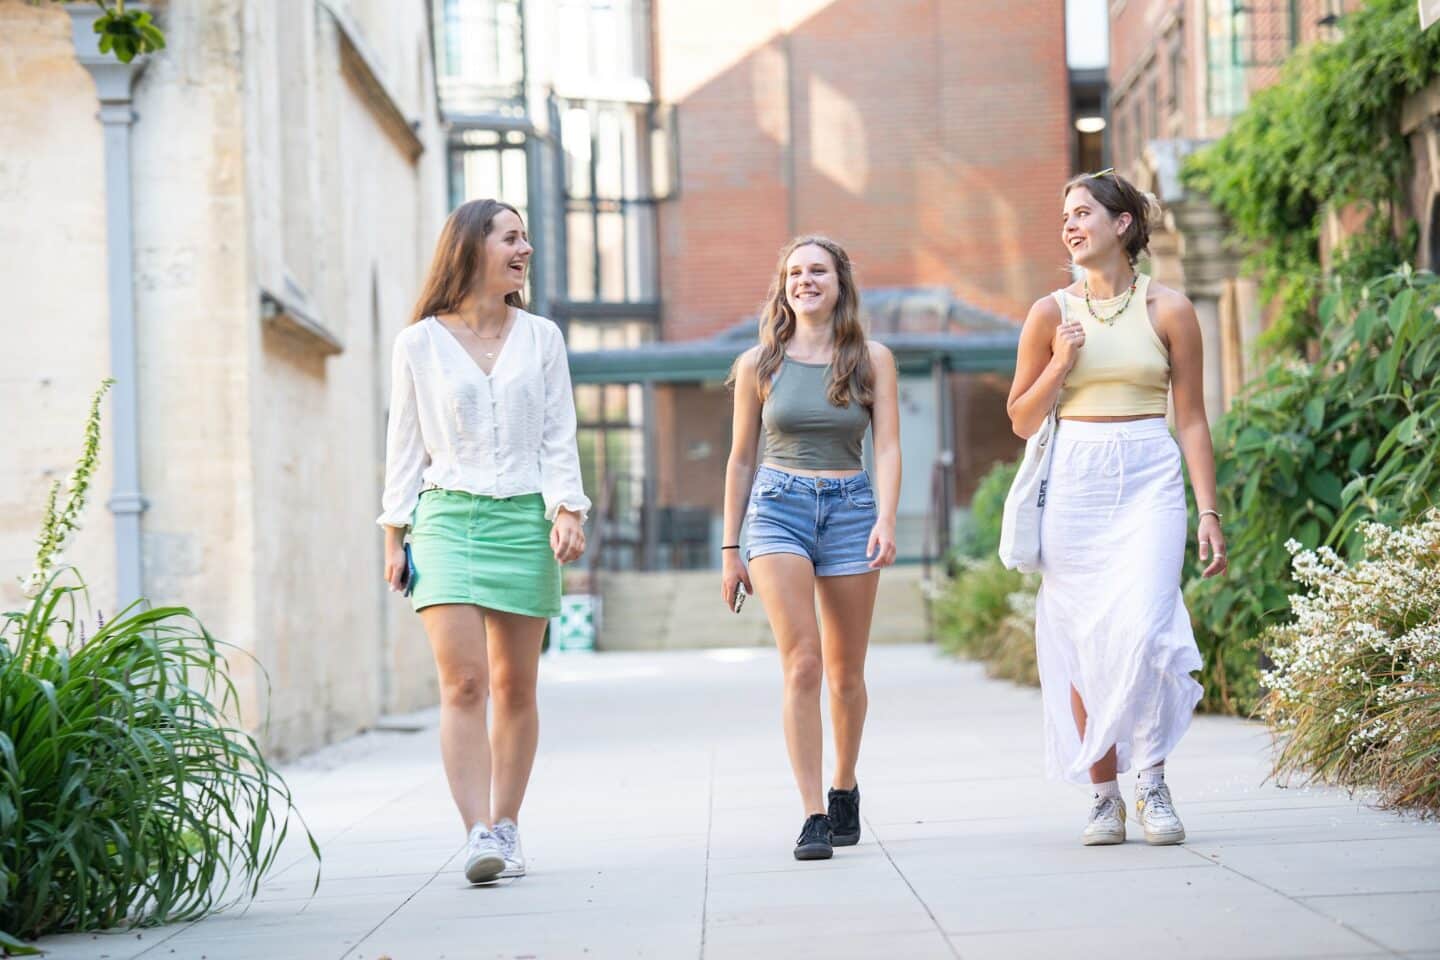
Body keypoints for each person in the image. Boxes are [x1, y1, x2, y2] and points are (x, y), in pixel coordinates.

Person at [1006, 169, 1228, 846]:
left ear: (1122, 225)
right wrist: (1059, 364)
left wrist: (1210, 511)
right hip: (1076, 478)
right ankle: (1105, 797)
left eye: (1082, 214)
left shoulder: (1170, 311)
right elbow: (1020, 417)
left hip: (1148, 474)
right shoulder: (1049, 313)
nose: (1070, 226)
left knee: (1146, 629)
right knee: (1083, 639)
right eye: (1065, 216)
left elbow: (1190, 420)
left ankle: (1152, 783)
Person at [377, 199, 589, 882]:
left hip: (524, 518)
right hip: (446, 520)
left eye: (525, 237)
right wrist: (392, 533)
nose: (524, 248)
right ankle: (475, 835)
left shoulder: (542, 338)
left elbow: (560, 431)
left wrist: (568, 509)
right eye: (511, 237)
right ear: (471, 248)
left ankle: (507, 824)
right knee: (464, 682)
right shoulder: (418, 343)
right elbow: (403, 444)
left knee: (514, 685)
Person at [721, 235, 901, 861]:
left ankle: (844, 785)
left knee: (846, 673)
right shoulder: (758, 364)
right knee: (803, 663)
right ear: (783, 286)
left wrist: (887, 519)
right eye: (794, 272)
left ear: (839, 281)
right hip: (777, 509)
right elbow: (741, 458)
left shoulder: (872, 358)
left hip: (852, 508)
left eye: (817, 270)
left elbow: (887, 447)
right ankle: (813, 814)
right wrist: (729, 547)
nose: (805, 280)